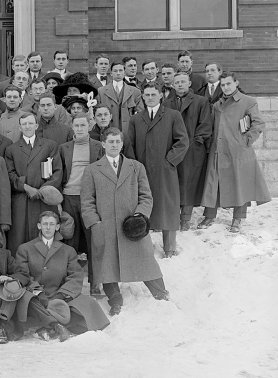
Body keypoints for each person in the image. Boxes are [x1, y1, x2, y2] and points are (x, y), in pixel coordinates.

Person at [81, 128, 170, 316]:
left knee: (145, 259)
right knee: (107, 264)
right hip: (105, 226)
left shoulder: (136, 167)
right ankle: (115, 300)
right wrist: (95, 223)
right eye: (110, 142)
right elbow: (87, 201)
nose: (114, 145)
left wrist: (139, 217)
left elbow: (146, 196)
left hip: (132, 226)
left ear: (122, 144)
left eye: (117, 142)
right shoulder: (92, 170)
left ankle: (161, 294)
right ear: (103, 144)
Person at [16, 211, 110, 338]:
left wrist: (61, 296)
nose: (48, 227)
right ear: (39, 226)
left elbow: (75, 276)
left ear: (57, 227)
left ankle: (48, 326)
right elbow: (23, 275)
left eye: (51, 224)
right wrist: (38, 292)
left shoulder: (67, 250)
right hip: (36, 296)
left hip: (60, 295)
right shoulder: (25, 249)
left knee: (88, 303)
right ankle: (56, 325)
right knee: (26, 300)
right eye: (45, 224)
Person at [198, 73, 271, 232]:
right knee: (213, 183)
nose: (225, 87)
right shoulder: (216, 105)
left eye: (228, 84)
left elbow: (258, 123)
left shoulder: (248, 101)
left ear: (236, 83)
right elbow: (211, 126)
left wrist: (245, 141)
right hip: (218, 150)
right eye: (223, 85)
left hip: (238, 152)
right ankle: (209, 215)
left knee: (240, 183)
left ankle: (238, 218)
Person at [127, 82, 189, 257]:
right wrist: (135, 167)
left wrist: (169, 161)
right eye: (146, 95)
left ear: (161, 95)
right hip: (143, 170)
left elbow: (182, 142)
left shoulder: (173, 116)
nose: (150, 98)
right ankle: (144, 249)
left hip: (165, 172)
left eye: (153, 94)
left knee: (167, 208)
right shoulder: (136, 119)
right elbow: (129, 144)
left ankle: (169, 248)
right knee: (143, 207)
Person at [57, 114, 106, 295]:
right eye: (76, 125)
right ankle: (69, 283)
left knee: (94, 240)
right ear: (72, 127)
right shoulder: (64, 148)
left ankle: (95, 282)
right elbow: (59, 174)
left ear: (89, 125)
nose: (79, 128)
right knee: (70, 241)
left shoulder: (99, 147)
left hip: (90, 199)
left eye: (82, 125)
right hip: (69, 197)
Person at [4, 112, 62, 254]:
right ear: (19, 127)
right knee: (19, 237)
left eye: (30, 123)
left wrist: (42, 191)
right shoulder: (11, 149)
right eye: (24, 124)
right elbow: (9, 174)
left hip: (44, 199)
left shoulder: (49, 146)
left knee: (45, 234)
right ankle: (20, 270)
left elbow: (58, 171)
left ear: (36, 125)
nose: (27, 126)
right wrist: (25, 186)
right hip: (22, 199)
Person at [163, 73, 213, 231]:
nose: (179, 85)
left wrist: (196, 142)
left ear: (189, 83)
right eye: (176, 82)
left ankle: (185, 219)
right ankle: (172, 216)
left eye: (183, 82)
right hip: (172, 149)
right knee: (173, 183)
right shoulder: (166, 103)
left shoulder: (201, 101)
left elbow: (205, 125)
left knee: (189, 185)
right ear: (173, 85)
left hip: (192, 149)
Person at [96, 63, 143, 138]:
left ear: (124, 72)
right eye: (115, 71)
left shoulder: (135, 92)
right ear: (111, 73)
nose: (118, 73)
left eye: (120, 70)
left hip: (128, 133)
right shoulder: (101, 91)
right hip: (108, 133)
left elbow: (140, 114)